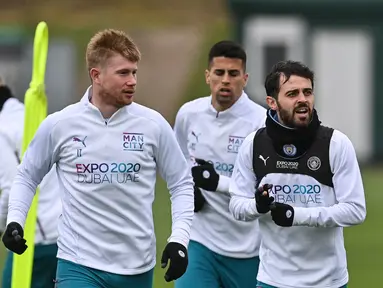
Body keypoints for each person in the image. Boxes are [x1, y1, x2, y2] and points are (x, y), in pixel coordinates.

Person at [2, 29, 194, 288]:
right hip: (78, 265)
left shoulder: (153, 125)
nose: (133, 81)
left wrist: (179, 239)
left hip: (136, 267)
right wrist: (15, 219)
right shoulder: (60, 124)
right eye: (123, 73)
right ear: (96, 75)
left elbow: (181, 183)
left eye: (134, 72)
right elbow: (26, 176)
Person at [229, 60, 367, 288]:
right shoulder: (253, 144)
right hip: (272, 280)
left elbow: (355, 210)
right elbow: (236, 206)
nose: (302, 99)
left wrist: (297, 215)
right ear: (272, 102)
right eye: (292, 93)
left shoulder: (336, 143)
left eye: (307, 92)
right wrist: (258, 207)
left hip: (328, 281)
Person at [174, 40, 266, 288]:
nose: (226, 80)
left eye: (233, 74)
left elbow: (266, 190)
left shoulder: (261, 123)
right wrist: (190, 189)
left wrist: (218, 183)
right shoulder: (188, 114)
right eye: (219, 73)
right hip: (199, 240)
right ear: (208, 76)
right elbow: (179, 162)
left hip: (249, 248)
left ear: (245, 78)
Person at [0, 81, 61, 288]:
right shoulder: (33, 114)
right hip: (65, 235)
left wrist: (2, 226)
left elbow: (10, 188)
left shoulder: (2, 128)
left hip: (34, 242)